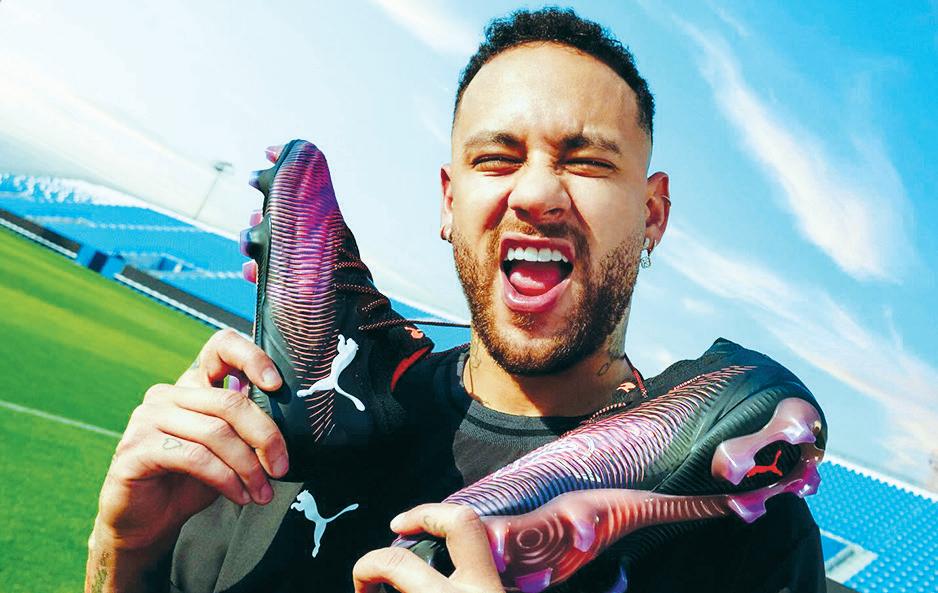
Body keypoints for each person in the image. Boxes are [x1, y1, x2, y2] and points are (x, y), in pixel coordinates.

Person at [85, 8, 825, 593]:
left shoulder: (750, 527)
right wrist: (125, 551)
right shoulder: (269, 446)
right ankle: (361, 372)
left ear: (653, 214)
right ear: (449, 201)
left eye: (587, 161)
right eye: (497, 158)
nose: (535, 193)